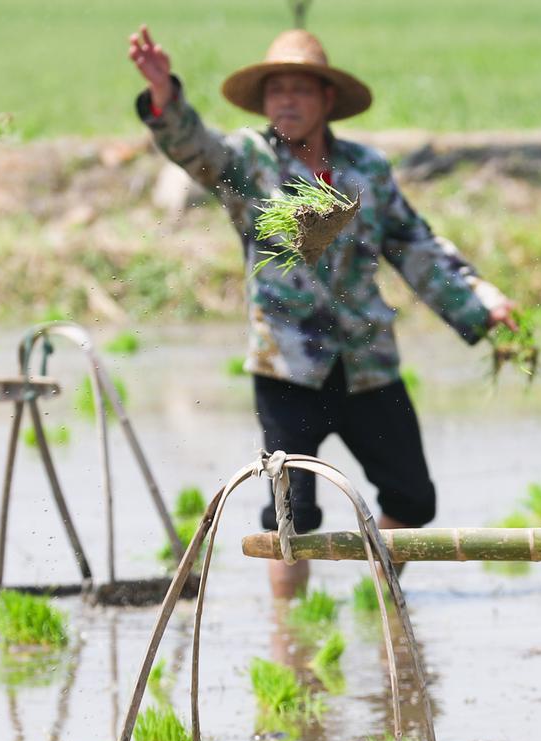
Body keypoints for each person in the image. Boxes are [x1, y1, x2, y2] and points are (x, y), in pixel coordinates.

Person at [127, 26, 516, 598]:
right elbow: (195, 148)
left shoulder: (368, 171)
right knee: (291, 519)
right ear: (263, 102)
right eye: (276, 90)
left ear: (327, 100)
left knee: (413, 498)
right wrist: (165, 95)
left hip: (367, 361)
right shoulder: (250, 164)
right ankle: (293, 642)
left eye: (300, 90)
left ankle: (379, 604)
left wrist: (481, 302)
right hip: (287, 366)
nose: (286, 100)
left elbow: (415, 245)